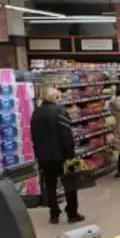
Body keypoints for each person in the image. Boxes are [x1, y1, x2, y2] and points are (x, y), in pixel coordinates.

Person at [31, 87, 84, 225]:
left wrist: (38, 155)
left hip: (44, 157)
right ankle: (72, 213)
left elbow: (34, 136)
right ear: (55, 98)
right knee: (70, 184)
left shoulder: (36, 113)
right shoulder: (60, 111)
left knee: (50, 185)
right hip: (61, 155)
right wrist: (70, 154)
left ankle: (54, 213)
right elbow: (66, 134)